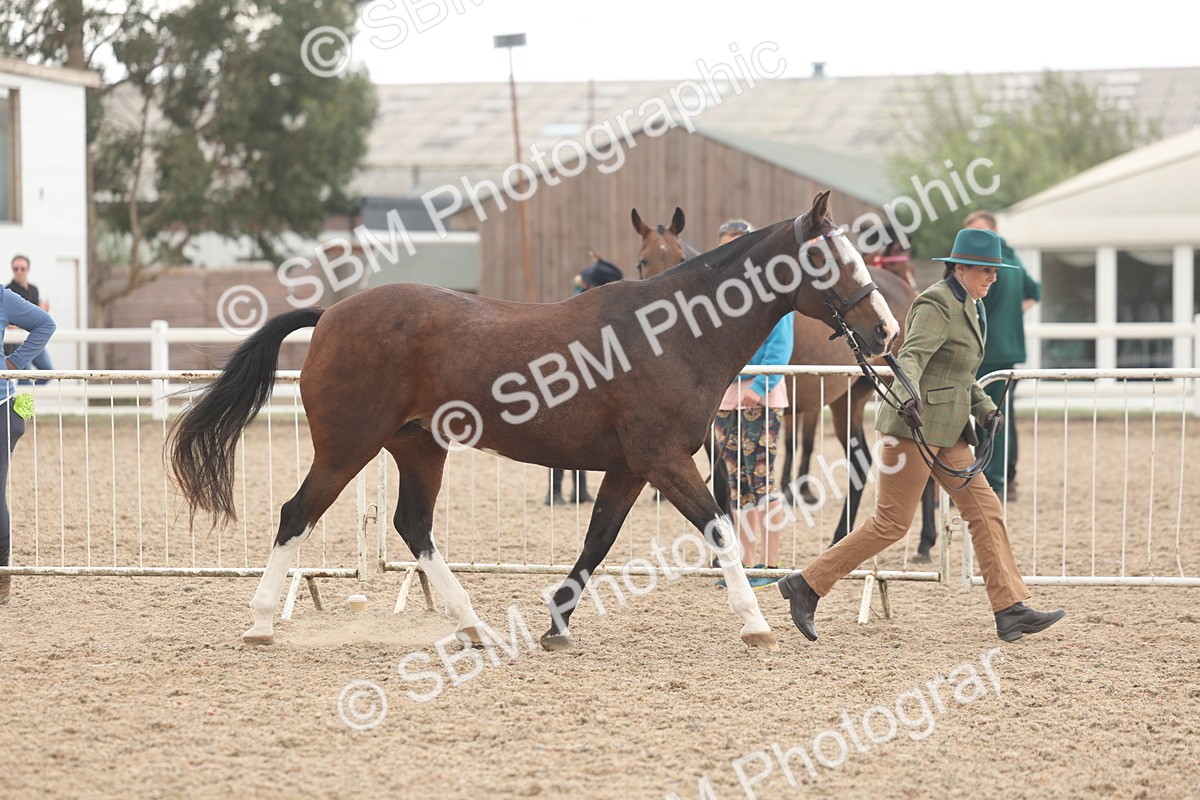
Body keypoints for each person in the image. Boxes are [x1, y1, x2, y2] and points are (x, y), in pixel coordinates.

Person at [777, 228, 1065, 643]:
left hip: (948, 432)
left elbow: (960, 374)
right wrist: (907, 397)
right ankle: (806, 584)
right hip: (912, 428)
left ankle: (1009, 609)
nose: (993, 278)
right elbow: (910, 357)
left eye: (995, 271)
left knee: (986, 511)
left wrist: (986, 410)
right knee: (890, 524)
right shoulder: (936, 303)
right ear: (960, 268)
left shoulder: (972, 305)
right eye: (986, 270)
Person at [711, 219, 793, 589]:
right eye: (726, 247)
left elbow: (781, 345)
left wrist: (761, 385)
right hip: (727, 397)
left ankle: (770, 563)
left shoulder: (773, 290)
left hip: (759, 397)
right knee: (737, 482)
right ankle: (746, 561)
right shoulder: (719, 295)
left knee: (761, 480)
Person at [963, 211, 1040, 502]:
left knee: (989, 419)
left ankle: (993, 482)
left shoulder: (987, 266)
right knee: (1004, 417)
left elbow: (973, 303)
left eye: (980, 232)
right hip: (1010, 351)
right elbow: (1035, 291)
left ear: (994, 230)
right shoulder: (1014, 260)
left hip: (989, 353)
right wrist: (1013, 316)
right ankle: (1008, 478)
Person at [545, 254, 624, 506]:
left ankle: (567, 491)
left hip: (578, 376)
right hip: (575, 375)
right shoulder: (594, 307)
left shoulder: (586, 303)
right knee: (567, 435)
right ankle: (560, 491)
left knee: (570, 435)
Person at [0, 285, 56, 604]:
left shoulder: (3, 297)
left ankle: (1, 578)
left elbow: (45, 323)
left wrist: (16, 362)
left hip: (1, 407)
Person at [5, 255, 53, 385]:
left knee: (48, 372)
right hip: (18, 342)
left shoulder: (33, 289)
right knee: (24, 377)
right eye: (16, 269)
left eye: (22, 268)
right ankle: (23, 402)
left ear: (28, 270)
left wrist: (43, 311)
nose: (19, 272)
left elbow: (38, 318)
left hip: (34, 338)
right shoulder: (9, 291)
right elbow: (9, 321)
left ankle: (27, 399)